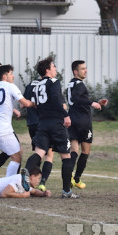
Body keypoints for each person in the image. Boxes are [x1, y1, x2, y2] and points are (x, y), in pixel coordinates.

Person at [23, 56, 79, 199]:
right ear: (47, 70)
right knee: (66, 156)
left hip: (42, 123)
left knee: (39, 153)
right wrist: (65, 115)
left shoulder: (36, 85)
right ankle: (66, 191)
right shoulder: (54, 82)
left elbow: (33, 104)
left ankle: (25, 173)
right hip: (56, 124)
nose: (56, 69)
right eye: (53, 67)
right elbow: (55, 99)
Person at [67, 60, 108, 189]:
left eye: (86, 68)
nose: (86, 71)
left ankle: (69, 178)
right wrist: (92, 103)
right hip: (83, 122)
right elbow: (76, 98)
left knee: (74, 151)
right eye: (83, 69)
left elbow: (77, 99)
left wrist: (96, 102)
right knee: (85, 151)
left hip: (72, 119)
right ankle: (77, 178)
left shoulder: (71, 84)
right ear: (75, 71)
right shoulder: (79, 84)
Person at [23, 77, 54, 191]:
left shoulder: (30, 85)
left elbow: (23, 104)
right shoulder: (50, 84)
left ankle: (31, 181)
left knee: (38, 154)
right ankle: (42, 183)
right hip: (44, 123)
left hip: (32, 123)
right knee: (48, 155)